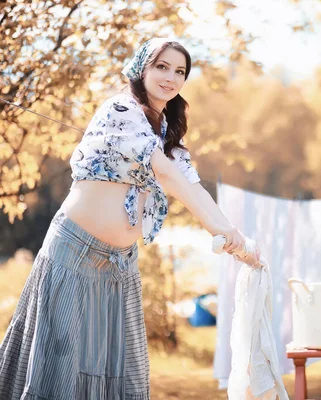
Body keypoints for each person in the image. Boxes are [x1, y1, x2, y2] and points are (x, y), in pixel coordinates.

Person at [0, 38, 260, 400]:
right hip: (74, 253)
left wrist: (236, 239)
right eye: (162, 67)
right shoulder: (120, 109)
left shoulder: (166, 131)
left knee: (119, 373)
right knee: (59, 369)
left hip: (120, 266)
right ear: (142, 67)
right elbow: (167, 176)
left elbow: (193, 187)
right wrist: (226, 232)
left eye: (180, 71)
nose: (171, 77)